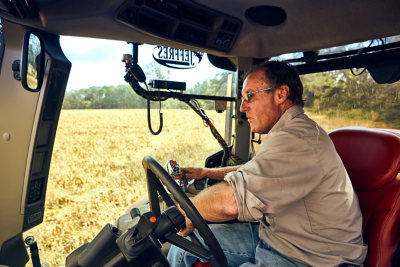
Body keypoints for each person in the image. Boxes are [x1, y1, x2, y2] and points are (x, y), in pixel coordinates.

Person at [167, 60, 367, 267]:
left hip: (315, 257)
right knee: (183, 248)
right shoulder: (285, 132)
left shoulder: (300, 139)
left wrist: (187, 210)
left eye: (250, 97)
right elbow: (254, 172)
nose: (243, 107)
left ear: (281, 94)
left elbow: (231, 202)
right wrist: (206, 172)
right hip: (275, 237)